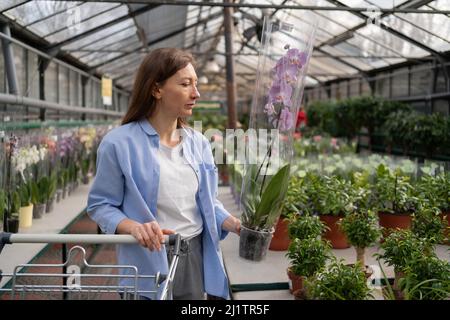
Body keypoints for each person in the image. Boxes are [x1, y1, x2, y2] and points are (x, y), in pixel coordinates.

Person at [87, 48, 241, 300]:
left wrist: (234, 224)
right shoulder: (119, 144)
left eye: (196, 84)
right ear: (156, 89)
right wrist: (134, 228)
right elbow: (101, 205)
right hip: (145, 260)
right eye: (185, 84)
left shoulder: (198, 143)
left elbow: (208, 202)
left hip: (194, 254)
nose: (196, 93)